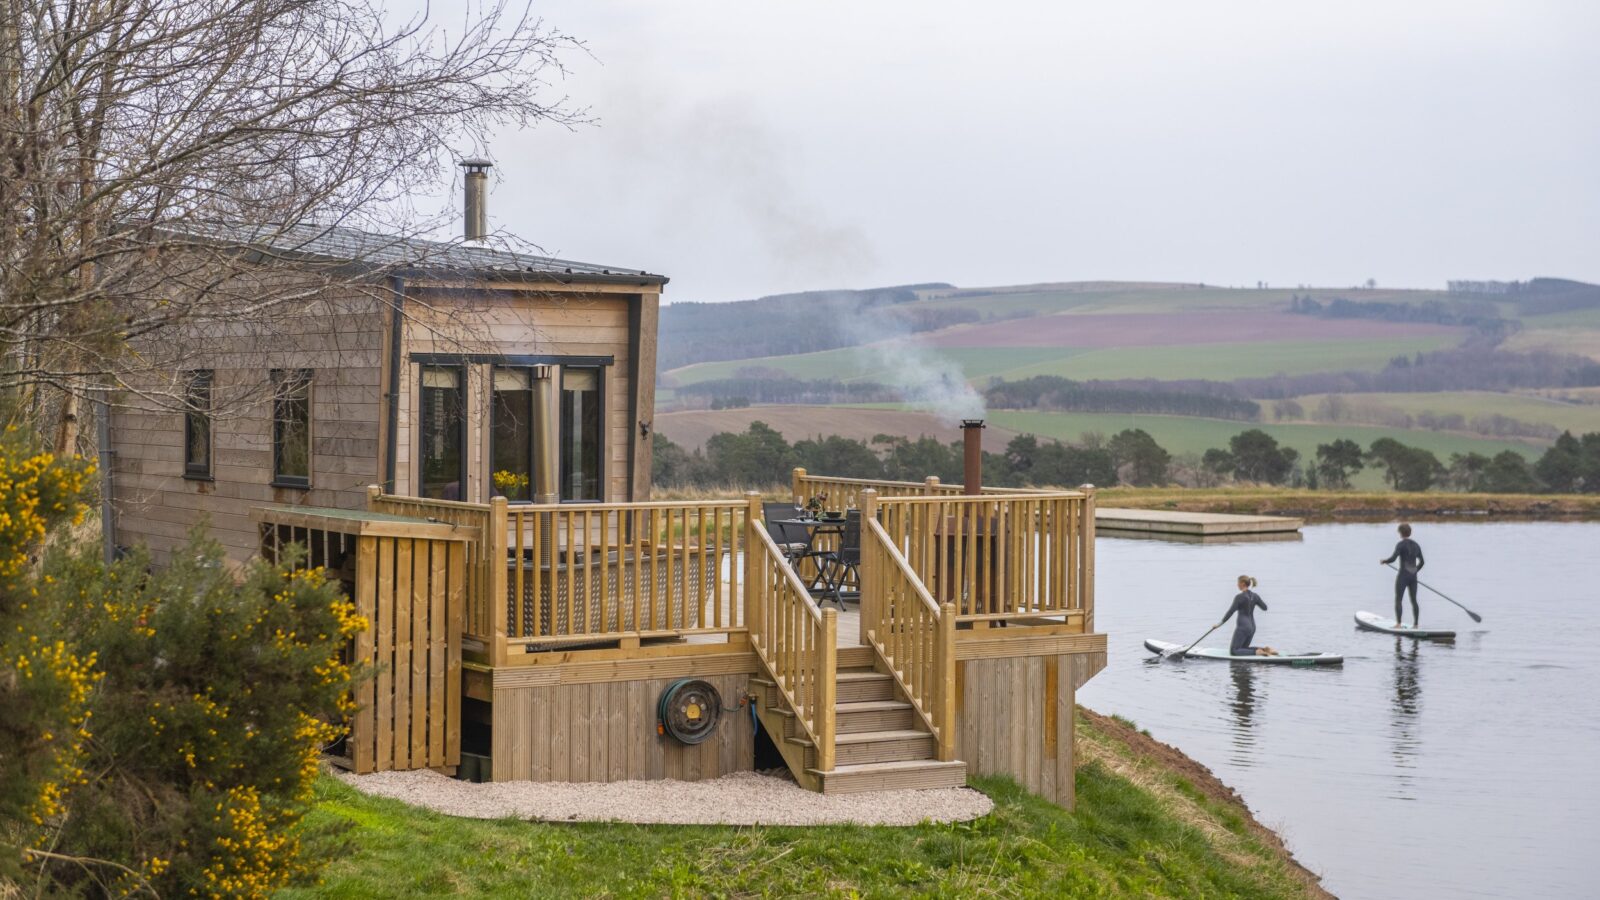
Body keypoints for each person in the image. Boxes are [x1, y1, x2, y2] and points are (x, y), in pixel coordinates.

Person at [1380, 523, 1425, 628]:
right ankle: (1416, 625)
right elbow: (1422, 562)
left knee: (1398, 599)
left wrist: (1384, 561)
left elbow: (1393, 559)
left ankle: (1398, 624)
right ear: (1409, 532)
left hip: (1403, 576)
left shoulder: (1400, 545)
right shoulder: (1416, 545)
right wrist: (1414, 571)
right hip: (1413, 577)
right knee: (1414, 600)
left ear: (1400, 532)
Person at [1219, 575, 1277, 657]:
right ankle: (1265, 650)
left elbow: (1230, 612)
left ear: (1242, 583)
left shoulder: (1239, 597)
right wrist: (1254, 602)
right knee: (1243, 648)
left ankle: (1257, 652)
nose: (1237, 585)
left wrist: (1219, 623)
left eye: (1238, 583)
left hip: (1243, 627)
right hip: (1252, 627)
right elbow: (1265, 608)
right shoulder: (1255, 596)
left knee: (1234, 651)